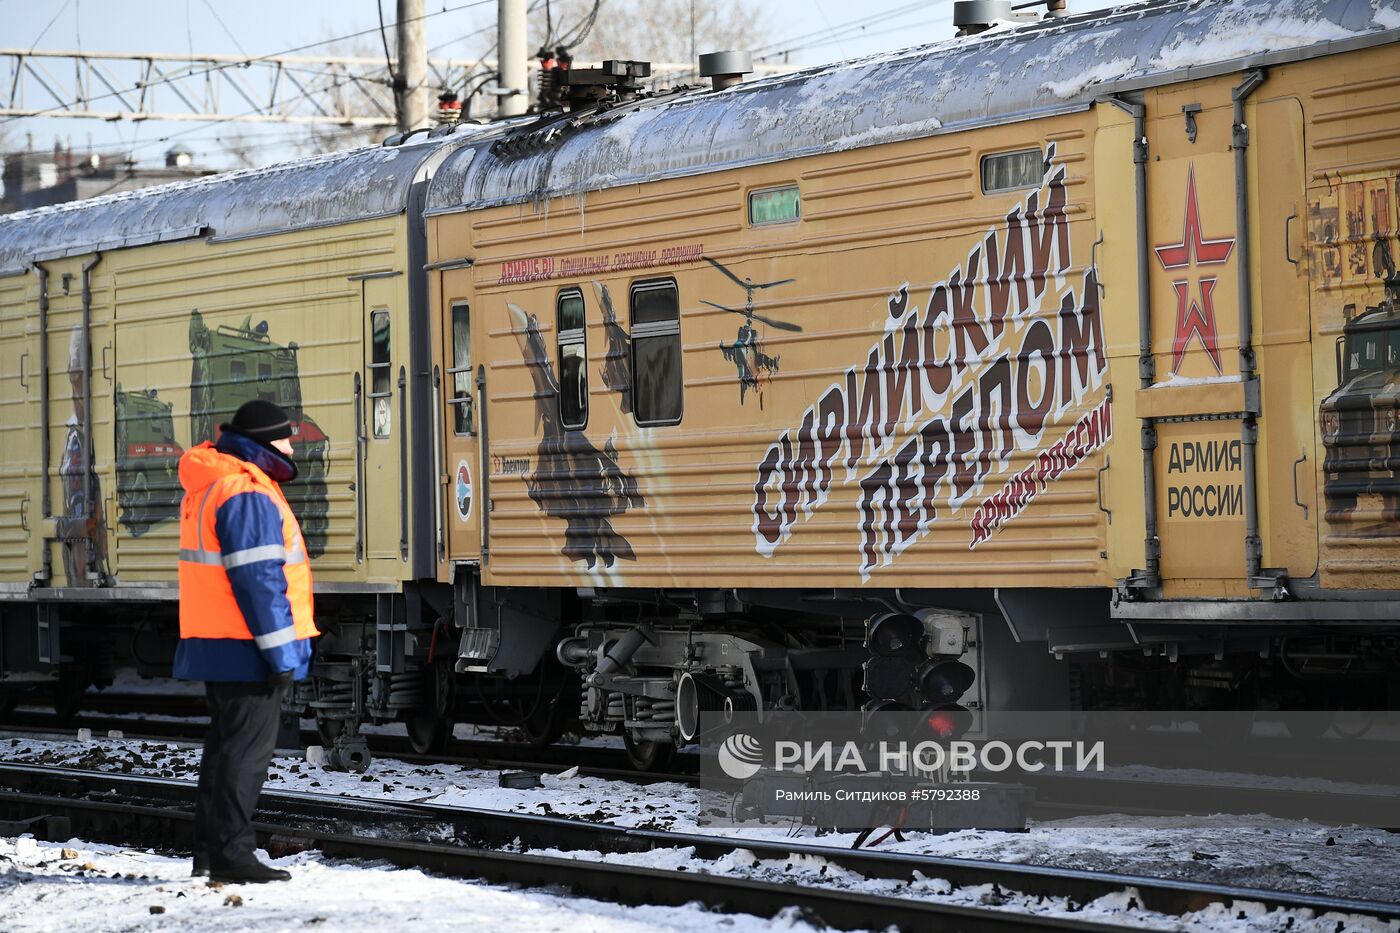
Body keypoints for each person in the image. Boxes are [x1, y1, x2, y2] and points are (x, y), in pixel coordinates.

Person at [174, 399, 318, 883]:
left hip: (218, 640)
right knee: (245, 755)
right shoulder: (246, 489)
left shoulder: (214, 482)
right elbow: (259, 581)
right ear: (264, 442)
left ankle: (210, 854)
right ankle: (233, 857)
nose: (290, 445)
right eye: (284, 437)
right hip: (248, 645)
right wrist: (280, 653)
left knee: (223, 751)